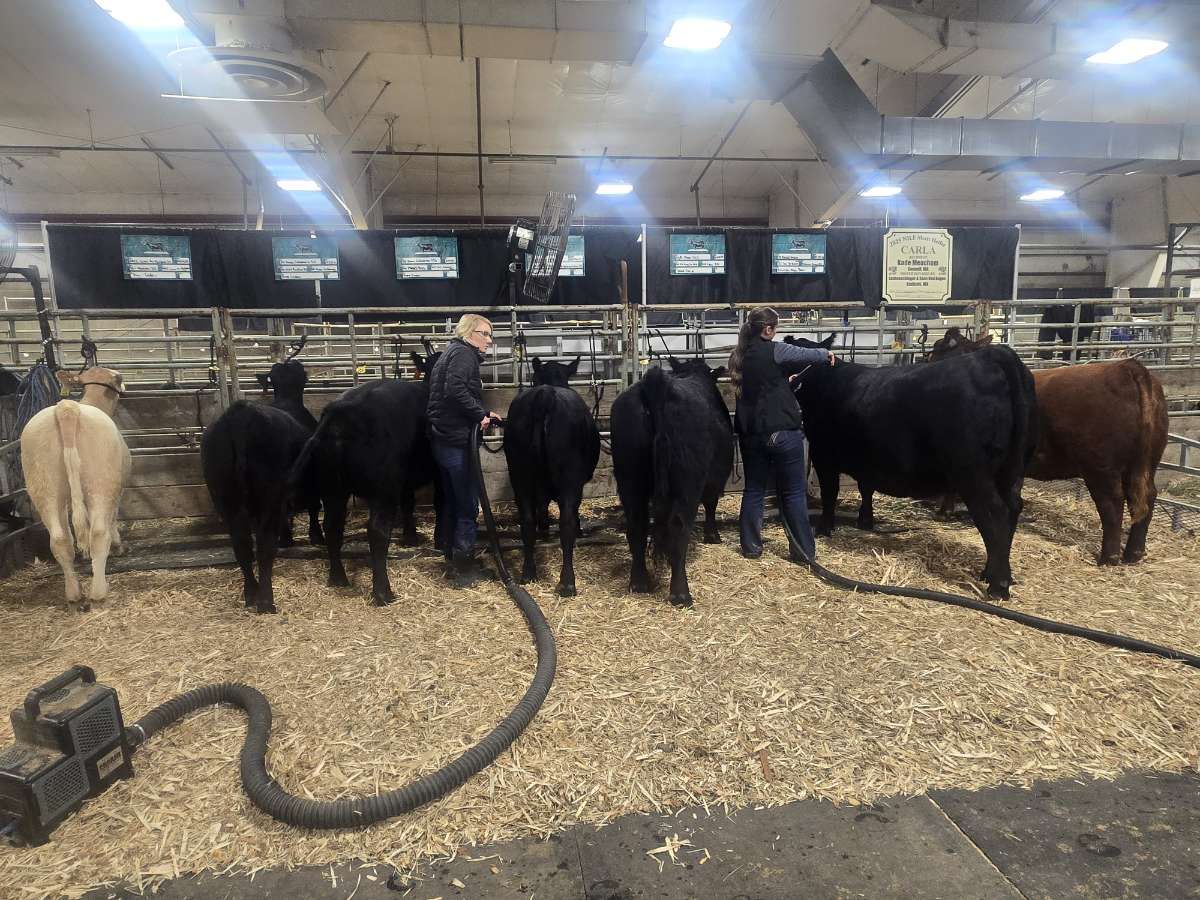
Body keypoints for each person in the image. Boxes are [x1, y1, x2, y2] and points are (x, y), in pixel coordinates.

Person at [727, 307, 835, 563]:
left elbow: (761, 385)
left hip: (752, 434)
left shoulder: (739, 356)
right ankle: (803, 551)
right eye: (775, 328)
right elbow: (805, 353)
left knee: (754, 490)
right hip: (782, 431)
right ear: (767, 330)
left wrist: (783, 382)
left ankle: (751, 548)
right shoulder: (776, 349)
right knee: (793, 493)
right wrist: (826, 353)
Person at [427, 314, 501, 587]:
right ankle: (463, 567)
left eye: (490, 335)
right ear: (469, 333)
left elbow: (451, 393)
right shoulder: (464, 355)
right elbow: (455, 389)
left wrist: (483, 413)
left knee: (452, 499)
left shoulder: (451, 353)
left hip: (444, 437)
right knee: (467, 504)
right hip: (456, 441)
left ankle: (451, 555)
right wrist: (478, 415)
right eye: (484, 334)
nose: (489, 340)